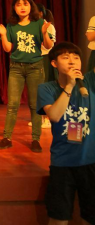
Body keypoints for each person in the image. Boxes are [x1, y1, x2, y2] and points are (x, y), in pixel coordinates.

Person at [37, 42, 95, 225]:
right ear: (54, 63)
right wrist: (69, 86)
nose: (72, 61)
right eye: (65, 57)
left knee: (91, 217)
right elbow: (54, 115)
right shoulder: (46, 88)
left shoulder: (90, 82)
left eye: (76, 58)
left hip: (91, 162)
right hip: (62, 164)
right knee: (58, 218)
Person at [0, 0, 53, 152]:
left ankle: (36, 139)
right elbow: (7, 48)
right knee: (12, 105)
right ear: (14, 8)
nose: (22, 7)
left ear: (31, 6)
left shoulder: (39, 23)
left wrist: (45, 33)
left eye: (25, 4)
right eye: (18, 4)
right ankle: (7, 138)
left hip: (35, 67)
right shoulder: (11, 25)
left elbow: (48, 46)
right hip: (16, 68)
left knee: (34, 105)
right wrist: (3, 34)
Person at [37, 5, 56, 129]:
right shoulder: (30, 26)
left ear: (40, 13)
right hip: (34, 58)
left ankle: (48, 118)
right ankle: (40, 118)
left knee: (46, 87)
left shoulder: (49, 26)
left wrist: (43, 33)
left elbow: (50, 45)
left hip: (45, 58)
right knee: (37, 89)